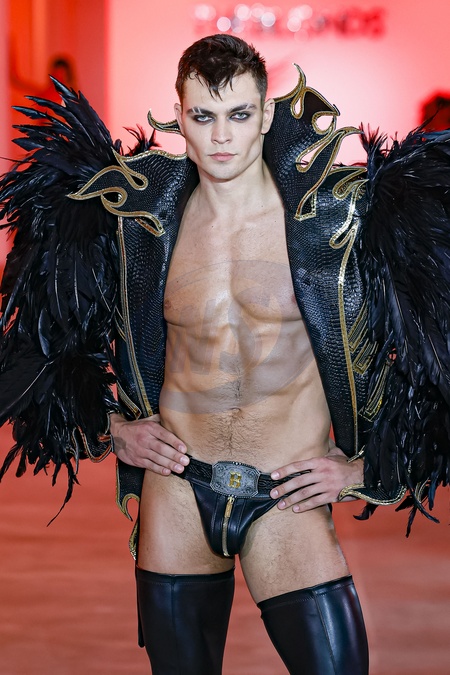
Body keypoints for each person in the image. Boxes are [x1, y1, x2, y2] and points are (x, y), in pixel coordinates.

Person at [1, 33, 450, 675]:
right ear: (179, 116)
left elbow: (435, 353)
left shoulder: (341, 219)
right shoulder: (134, 221)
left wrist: (365, 470)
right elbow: (38, 345)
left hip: (287, 495)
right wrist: (111, 428)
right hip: (177, 492)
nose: (220, 137)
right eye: (203, 116)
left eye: (239, 115)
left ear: (265, 115)